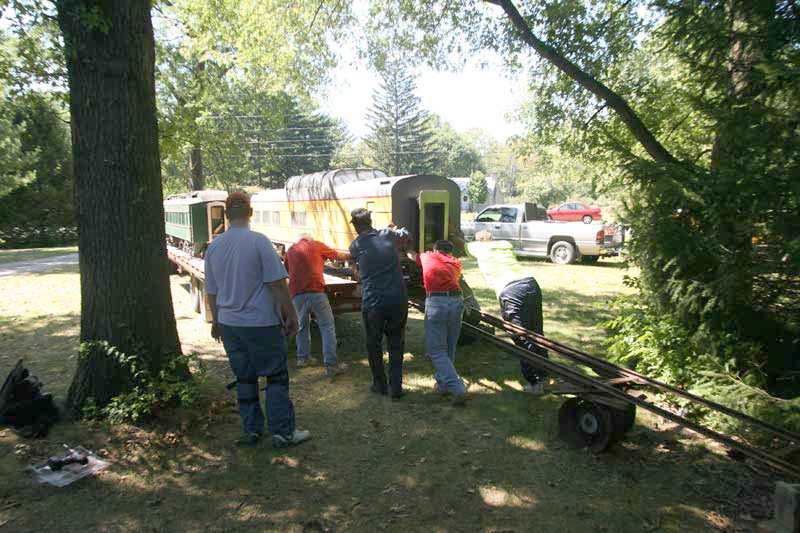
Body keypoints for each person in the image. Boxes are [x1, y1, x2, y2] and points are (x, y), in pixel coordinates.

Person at [204, 191, 310, 448]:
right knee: (275, 377)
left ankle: (251, 430)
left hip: (230, 324)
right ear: (250, 213)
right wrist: (291, 315)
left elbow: (212, 291)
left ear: (226, 215)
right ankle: (282, 432)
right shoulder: (259, 241)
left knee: (245, 378)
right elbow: (277, 283)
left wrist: (217, 321)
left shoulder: (214, 246)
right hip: (260, 323)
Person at [466, 230, 549, 393]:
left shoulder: (478, 248)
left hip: (511, 290)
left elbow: (461, 243)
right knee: (536, 331)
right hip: (530, 283)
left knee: (520, 335)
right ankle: (545, 373)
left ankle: (535, 382)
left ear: (479, 241)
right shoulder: (505, 245)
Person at [348, 208, 409, 398]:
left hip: (373, 301)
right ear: (370, 221)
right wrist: (392, 228)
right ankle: (397, 388)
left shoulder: (355, 245)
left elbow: (358, 264)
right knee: (396, 343)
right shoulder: (387, 234)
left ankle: (380, 385)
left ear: (356, 226)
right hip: (398, 298)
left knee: (374, 344)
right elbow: (406, 235)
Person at [409, 239, 468, 405]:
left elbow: (411, 256)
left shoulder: (429, 257)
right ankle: (443, 385)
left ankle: (457, 388)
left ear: (436, 249)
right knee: (449, 346)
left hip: (437, 302)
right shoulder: (456, 263)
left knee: (435, 350)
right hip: (457, 302)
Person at [285, 233, 351, 376]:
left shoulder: (291, 250)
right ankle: (331, 365)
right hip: (316, 291)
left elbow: (287, 269)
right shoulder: (316, 245)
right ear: (310, 238)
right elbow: (337, 256)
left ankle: (303, 359)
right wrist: (353, 254)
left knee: (301, 326)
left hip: (297, 294)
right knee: (327, 326)